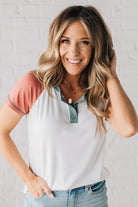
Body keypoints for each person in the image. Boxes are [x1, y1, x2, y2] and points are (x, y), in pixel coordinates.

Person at [0, 5, 137, 207]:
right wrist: (28, 178)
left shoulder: (99, 90)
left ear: (96, 46)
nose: (73, 51)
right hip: (45, 200)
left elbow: (129, 128)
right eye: (65, 41)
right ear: (56, 43)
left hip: (93, 199)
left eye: (84, 42)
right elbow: (1, 130)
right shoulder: (34, 84)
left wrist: (111, 75)